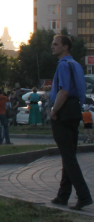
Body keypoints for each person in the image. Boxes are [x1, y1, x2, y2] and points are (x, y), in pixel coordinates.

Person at [48, 35, 92, 210]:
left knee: (68, 156)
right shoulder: (76, 65)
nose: (52, 47)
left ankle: (84, 195)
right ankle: (62, 196)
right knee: (69, 154)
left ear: (65, 47)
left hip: (64, 111)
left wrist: (54, 111)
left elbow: (64, 91)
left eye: (55, 44)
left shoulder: (63, 65)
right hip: (75, 111)